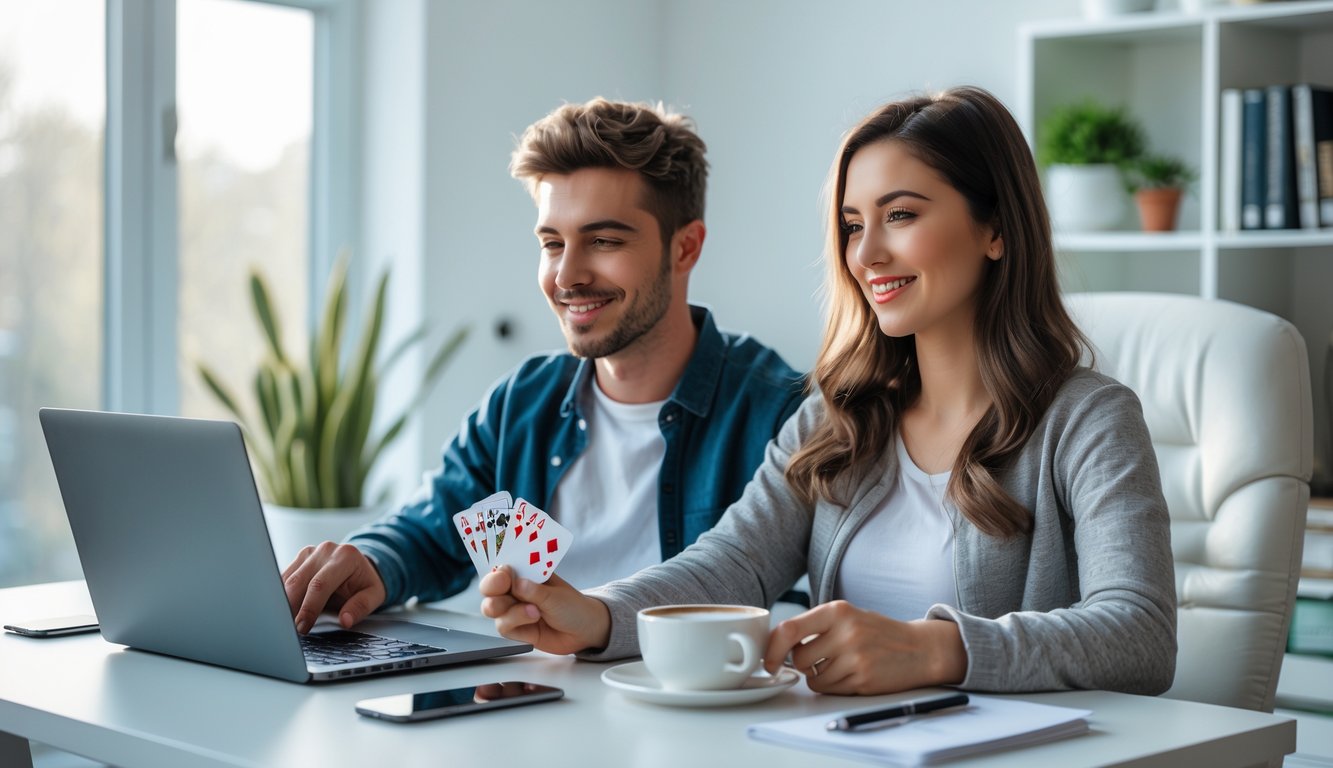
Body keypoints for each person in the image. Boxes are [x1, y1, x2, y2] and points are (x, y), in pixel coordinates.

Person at [479, 86, 1178, 697]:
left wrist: (936, 650)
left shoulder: (1087, 419)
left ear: (994, 228)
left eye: (900, 216)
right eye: (851, 226)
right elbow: (734, 565)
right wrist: (598, 615)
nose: (866, 253)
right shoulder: (835, 416)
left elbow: (1139, 635)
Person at [282, 98, 806, 635]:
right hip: (530, 704)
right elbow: (430, 529)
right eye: (553, 243)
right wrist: (367, 561)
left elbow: (790, 598)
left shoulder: (781, 415)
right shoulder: (522, 402)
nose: (567, 276)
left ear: (685, 248)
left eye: (603, 241)